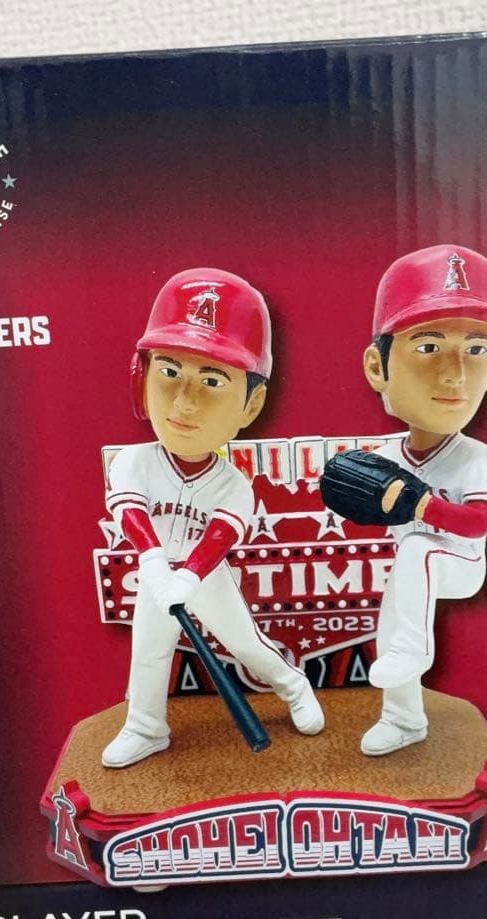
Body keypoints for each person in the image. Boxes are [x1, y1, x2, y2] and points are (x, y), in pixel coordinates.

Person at [102, 268, 324, 768]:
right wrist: (155, 565)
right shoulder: (134, 462)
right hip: (156, 574)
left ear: (251, 403)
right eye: (170, 372)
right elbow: (130, 512)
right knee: (149, 650)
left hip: (205, 576)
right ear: (141, 377)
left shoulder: (232, 483)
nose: (185, 401)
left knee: (245, 644)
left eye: (211, 380)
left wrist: (188, 578)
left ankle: (293, 686)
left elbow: (221, 535)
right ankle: (146, 727)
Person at [357, 245, 487, 756]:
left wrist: (421, 505)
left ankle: (415, 651)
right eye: (429, 346)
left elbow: (477, 525)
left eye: (477, 348)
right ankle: (403, 719)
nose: (456, 375)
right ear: (378, 367)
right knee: (390, 618)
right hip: (411, 574)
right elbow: (361, 508)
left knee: (418, 550)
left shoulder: (480, 459)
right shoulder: (385, 455)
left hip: (461, 564)